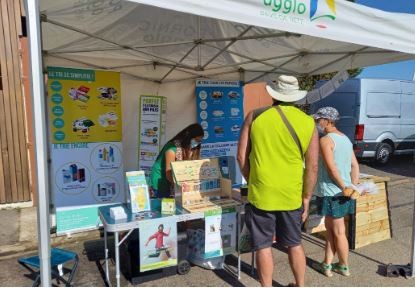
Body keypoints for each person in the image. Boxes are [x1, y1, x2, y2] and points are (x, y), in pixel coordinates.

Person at [237, 75, 319, 287]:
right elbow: (312, 166)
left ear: (273, 94)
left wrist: (251, 179)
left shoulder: (254, 116)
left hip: (261, 192)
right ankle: (299, 285)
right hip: (291, 194)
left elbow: (241, 157)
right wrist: (307, 198)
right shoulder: (308, 122)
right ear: (295, 96)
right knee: (294, 243)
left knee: (263, 246)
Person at [312, 107, 360, 277]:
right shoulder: (345, 139)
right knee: (332, 230)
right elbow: (355, 166)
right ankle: (327, 263)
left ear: (328, 121)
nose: (317, 123)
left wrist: (344, 187)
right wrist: (352, 186)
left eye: (319, 120)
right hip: (343, 193)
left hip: (332, 192)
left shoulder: (326, 140)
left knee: (338, 231)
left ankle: (344, 266)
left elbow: (332, 169)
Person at [150, 123, 204, 198]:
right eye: (196, 140)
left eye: (200, 141)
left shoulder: (189, 148)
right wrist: (183, 185)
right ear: (188, 137)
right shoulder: (172, 148)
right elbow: (169, 174)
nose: (197, 143)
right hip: (160, 182)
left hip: (174, 183)